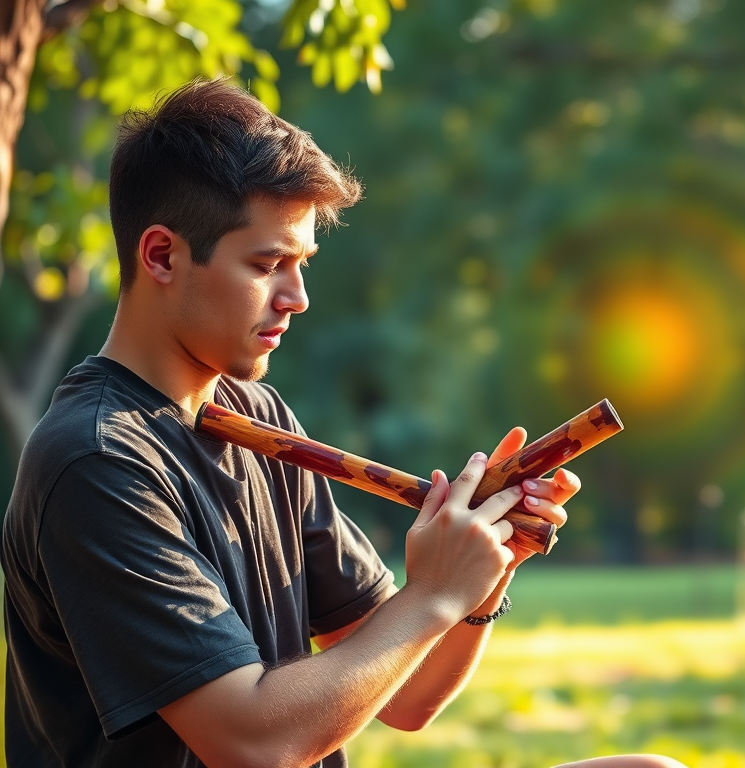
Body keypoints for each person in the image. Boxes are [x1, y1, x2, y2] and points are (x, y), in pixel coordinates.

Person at [2, 79, 683, 768]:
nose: (297, 298)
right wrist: (435, 592)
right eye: (268, 264)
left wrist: (485, 560)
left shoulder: (256, 417)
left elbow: (408, 698)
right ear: (161, 256)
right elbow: (254, 742)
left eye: (302, 264)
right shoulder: (98, 462)